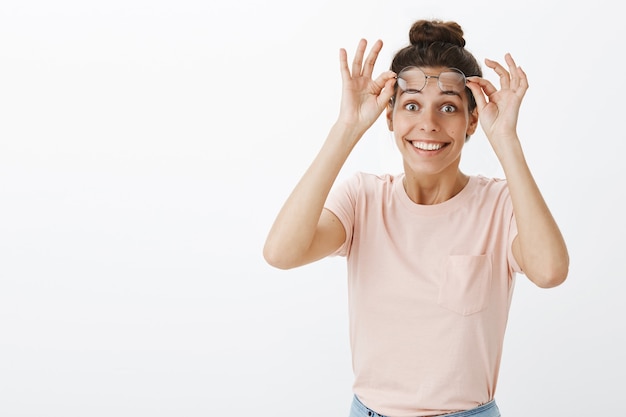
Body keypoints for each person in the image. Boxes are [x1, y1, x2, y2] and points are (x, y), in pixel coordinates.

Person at [263, 18, 569, 417]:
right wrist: (346, 127)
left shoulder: (501, 205)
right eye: (411, 105)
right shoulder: (363, 198)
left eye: (448, 107)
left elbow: (550, 272)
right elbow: (281, 253)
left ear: (472, 120)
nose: (428, 124)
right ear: (389, 117)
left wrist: (507, 140)